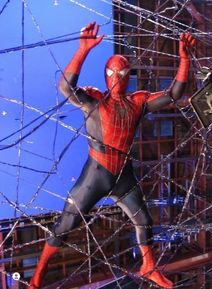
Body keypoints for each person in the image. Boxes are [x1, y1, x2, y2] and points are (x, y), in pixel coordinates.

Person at [29, 22, 195, 289]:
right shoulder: (95, 100)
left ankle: (148, 266)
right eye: (112, 71)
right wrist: (82, 50)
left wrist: (184, 59)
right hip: (96, 172)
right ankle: (37, 277)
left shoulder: (138, 102)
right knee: (66, 224)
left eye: (122, 71)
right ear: (106, 75)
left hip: (123, 176)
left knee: (143, 220)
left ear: (129, 74)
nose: (117, 76)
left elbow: (174, 93)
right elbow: (66, 89)